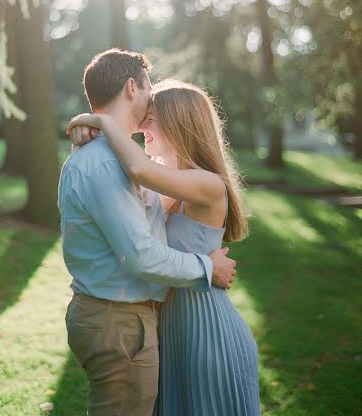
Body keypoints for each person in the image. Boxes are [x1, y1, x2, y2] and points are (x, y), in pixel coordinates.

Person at [59, 49, 237, 416]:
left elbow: (144, 173)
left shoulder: (137, 168)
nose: (144, 123)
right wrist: (207, 267)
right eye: (148, 91)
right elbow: (140, 252)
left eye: (155, 119)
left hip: (179, 322)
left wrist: (97, 122)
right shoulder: (108, 163)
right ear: (131, 87)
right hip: (124, 322)